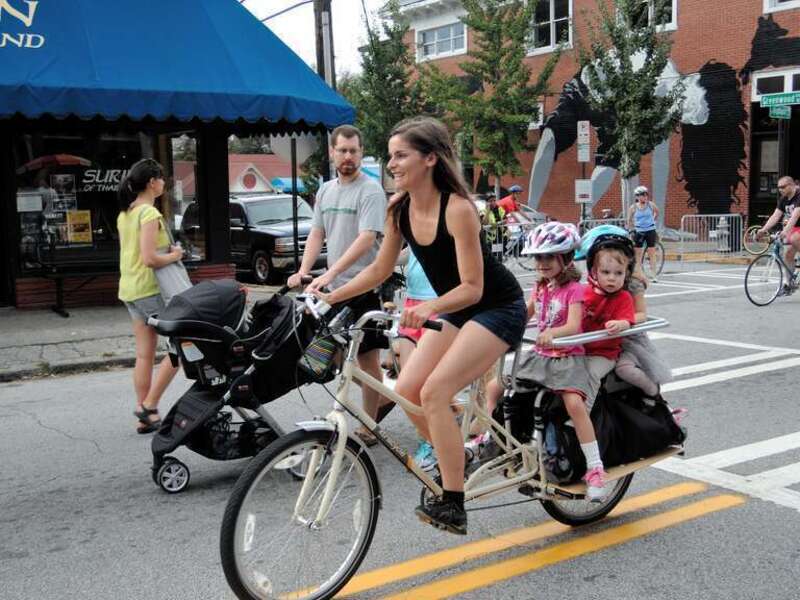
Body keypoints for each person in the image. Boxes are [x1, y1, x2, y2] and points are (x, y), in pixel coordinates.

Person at [315, 116, 526, 535]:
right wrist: (328, 293)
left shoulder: (459, 209)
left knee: (434, 391)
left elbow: (472, 286)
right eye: (390, 156)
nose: (391, 164)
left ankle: (453, 501)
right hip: (456, 308)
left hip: (496, 308)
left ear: (430, 158)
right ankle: (457, 457)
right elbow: (378, 269)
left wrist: (429, 307)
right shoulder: (400, 210)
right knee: (409, 390)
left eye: (400, 155)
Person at [287, 125, 389, 446]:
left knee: (366, 359)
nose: (348, 156)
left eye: (354, 151)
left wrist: (330, 275)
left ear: (361, 152)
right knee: (329, 354)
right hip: (334, 290)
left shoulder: (370, 191)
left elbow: (366, 239)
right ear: (332, 152)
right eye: (342, 150)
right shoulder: (326, 191)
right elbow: (317, 233)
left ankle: (369, 424)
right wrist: (304, 271)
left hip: (363, 286)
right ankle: (383, 396)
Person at [507, 221, 609, 501]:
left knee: (574, 403)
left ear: (564, 258)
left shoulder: (575, 289)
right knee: (500, 388)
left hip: (566, 357)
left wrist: (552, 332)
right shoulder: (540, 287)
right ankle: (502, 445)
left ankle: (595, 468)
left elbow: (574, 326)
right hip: (541, 357)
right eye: (538, 257)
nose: (542, 263)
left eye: (548, 257)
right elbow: (524, 316)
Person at [116, 159, 182, 434]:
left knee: (144, 355)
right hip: (151, 291)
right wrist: (175, 255)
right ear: (151, 182)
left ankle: (144, 413)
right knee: (180, 349)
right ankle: (150, 406)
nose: (164, 183)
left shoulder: (126, 214)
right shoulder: (149, 215)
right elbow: (150, 258)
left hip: (130, 290)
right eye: (162, 178)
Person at [577, 228, 636, 411]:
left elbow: (628, 320)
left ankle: (583, 413)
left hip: (605, 353)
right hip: (580, 349)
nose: (612, 278)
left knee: (591, 374)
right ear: (594, 271)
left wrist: (620, 324)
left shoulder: (623, 297)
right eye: (606, 272)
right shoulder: (584, 292)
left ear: (626, 273)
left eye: (618, 273)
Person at [757, 176, 800, 295]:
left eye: (783, 187)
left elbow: (795, 216)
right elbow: (776, 216)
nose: (780, 189)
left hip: (797, 227)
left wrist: (785, 231)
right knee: (787, 254)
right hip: (797, 228)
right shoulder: (784, 199)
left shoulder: (799, 195)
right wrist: (763, 230)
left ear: (791, 185)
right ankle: (788, 285)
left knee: (793, 237)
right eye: (779, 187)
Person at [626, 185, 660, 282]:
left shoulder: (650, 205)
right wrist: (631, 229)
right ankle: (638, 275)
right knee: (638, 255)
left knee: (651, 253)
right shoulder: (633, 207)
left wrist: (653, 221)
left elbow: (657, 212)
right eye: (642, 195)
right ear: (637, 197)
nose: (644, 197)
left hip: (650, 231)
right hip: (639, 231)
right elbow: (629, 220)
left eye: (645, 195)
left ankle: (654, 275)